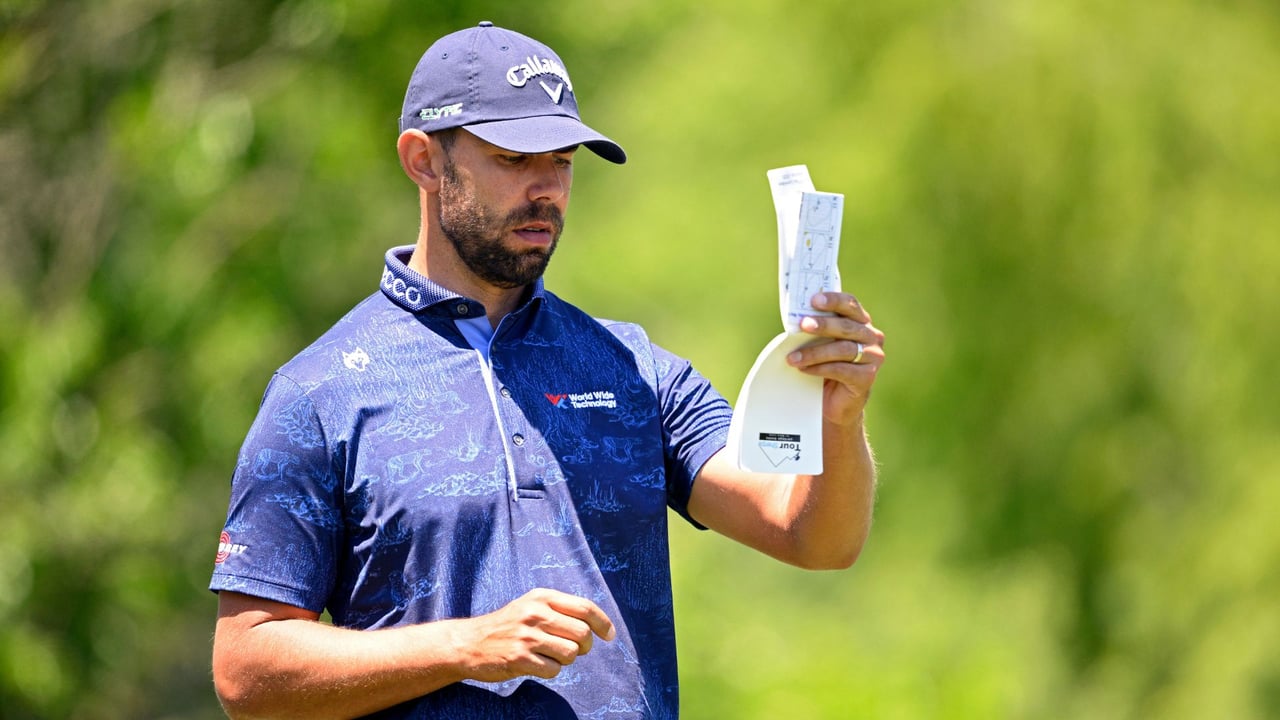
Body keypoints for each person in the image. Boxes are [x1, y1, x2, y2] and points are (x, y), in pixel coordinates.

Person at [209, 21, 885, 720]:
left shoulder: (632, 369)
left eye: (562, 161)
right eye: (513, 158)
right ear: (423, 160)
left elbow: (813, 537)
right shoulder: (320, 391)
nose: (547, 190)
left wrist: (840, 419)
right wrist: (464, 646)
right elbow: (246, 670)